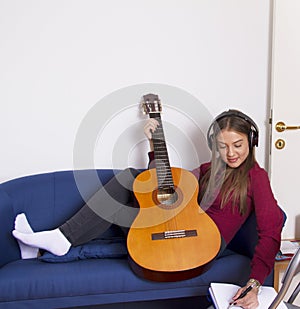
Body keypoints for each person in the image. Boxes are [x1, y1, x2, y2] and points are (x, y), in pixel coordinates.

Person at [12, 109, 284, 309]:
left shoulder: (255, 177)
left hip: (206, 245)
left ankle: (52, 245)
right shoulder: (206, 170)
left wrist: (255, 283)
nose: (231, 153)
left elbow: (271, 229)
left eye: (238, 145)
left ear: (252, 142)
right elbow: (161, 184)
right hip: (179, 228)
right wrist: (155, 146)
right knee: (131, 180)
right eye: (223, 146)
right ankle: (55, 241)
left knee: (132, 239)